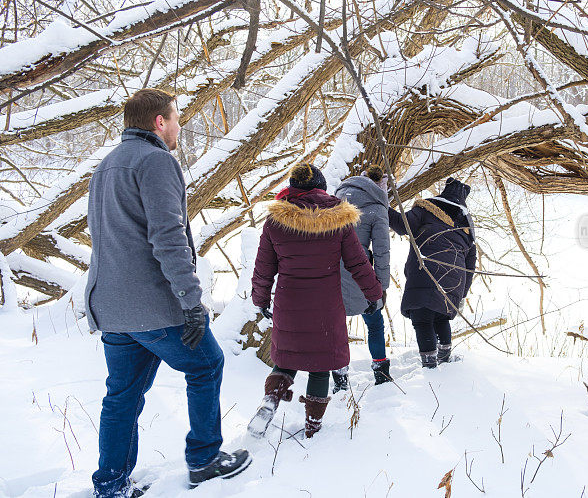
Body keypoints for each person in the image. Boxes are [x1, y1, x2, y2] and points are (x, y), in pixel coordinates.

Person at [85, 89, 250, 498]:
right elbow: (168, 237)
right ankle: (205, 459)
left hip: (110, 304)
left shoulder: (107, 165)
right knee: (207, 363)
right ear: (160, 121)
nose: (179, 127)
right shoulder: (156, 160)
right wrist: (191, 301)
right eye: (176, 118)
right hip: (152, 305)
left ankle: (111, 485)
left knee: (122, 396)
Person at [248, 163, 382, 439]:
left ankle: (269, 401)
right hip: (326, 307)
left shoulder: (275, 221)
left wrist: (260, 300)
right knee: (321, 365)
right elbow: (358, 263)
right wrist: (374, 294)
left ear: (293, 188)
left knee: (286, 359)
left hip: (289, 304)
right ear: (321, 188)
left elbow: (263, 267)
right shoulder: (339, 219)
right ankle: (313, 426)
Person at [388, 177, 476, 368]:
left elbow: (403, 226)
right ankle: (444, 361)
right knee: (441, 317)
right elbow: (471, 265)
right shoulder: (467, 226)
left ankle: (430, 366)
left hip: (427, 271)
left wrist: (382, 206)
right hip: (455, 281)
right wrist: (462, 294)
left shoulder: (427, 208)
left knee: (423, 318)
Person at [332, 165, 393, 390]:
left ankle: (339, 379)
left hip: (331, 274)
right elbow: (382, 252)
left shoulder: (336, 201)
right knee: (375, 324)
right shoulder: (377, 209)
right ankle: (381, 373)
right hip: (362, 274)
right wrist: (382, 286)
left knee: (337, 326)